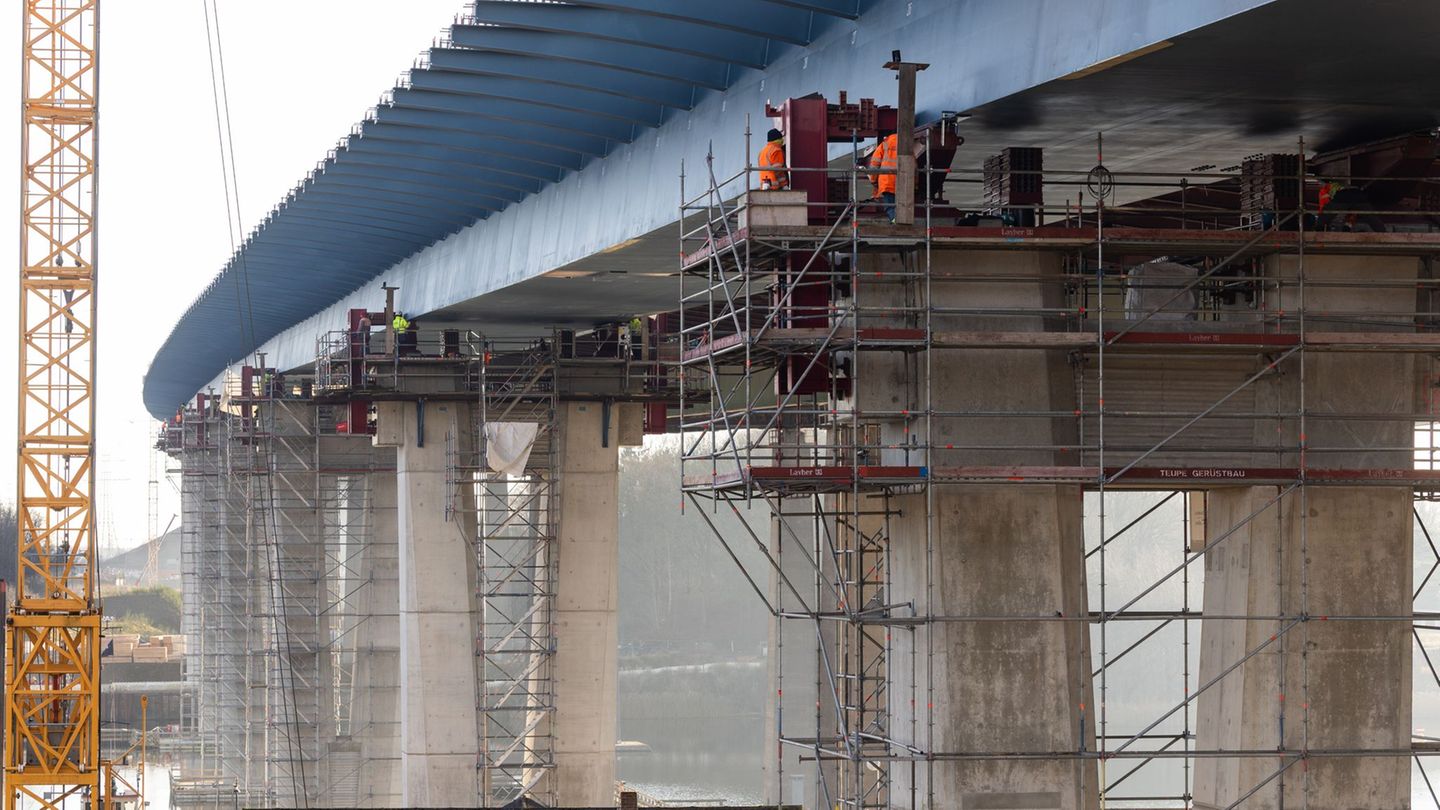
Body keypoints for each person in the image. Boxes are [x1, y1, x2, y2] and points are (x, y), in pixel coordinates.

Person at [868, 129, 898, 222]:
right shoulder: (907, 145)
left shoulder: (885, 144)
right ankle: (899, 220)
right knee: (902, 205)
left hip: (887, 181)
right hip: (903, 181)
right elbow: (914, 165)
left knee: (890, 206)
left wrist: (873, 180)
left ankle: (895, 221)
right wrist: (915, 183)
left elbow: (874, 165)